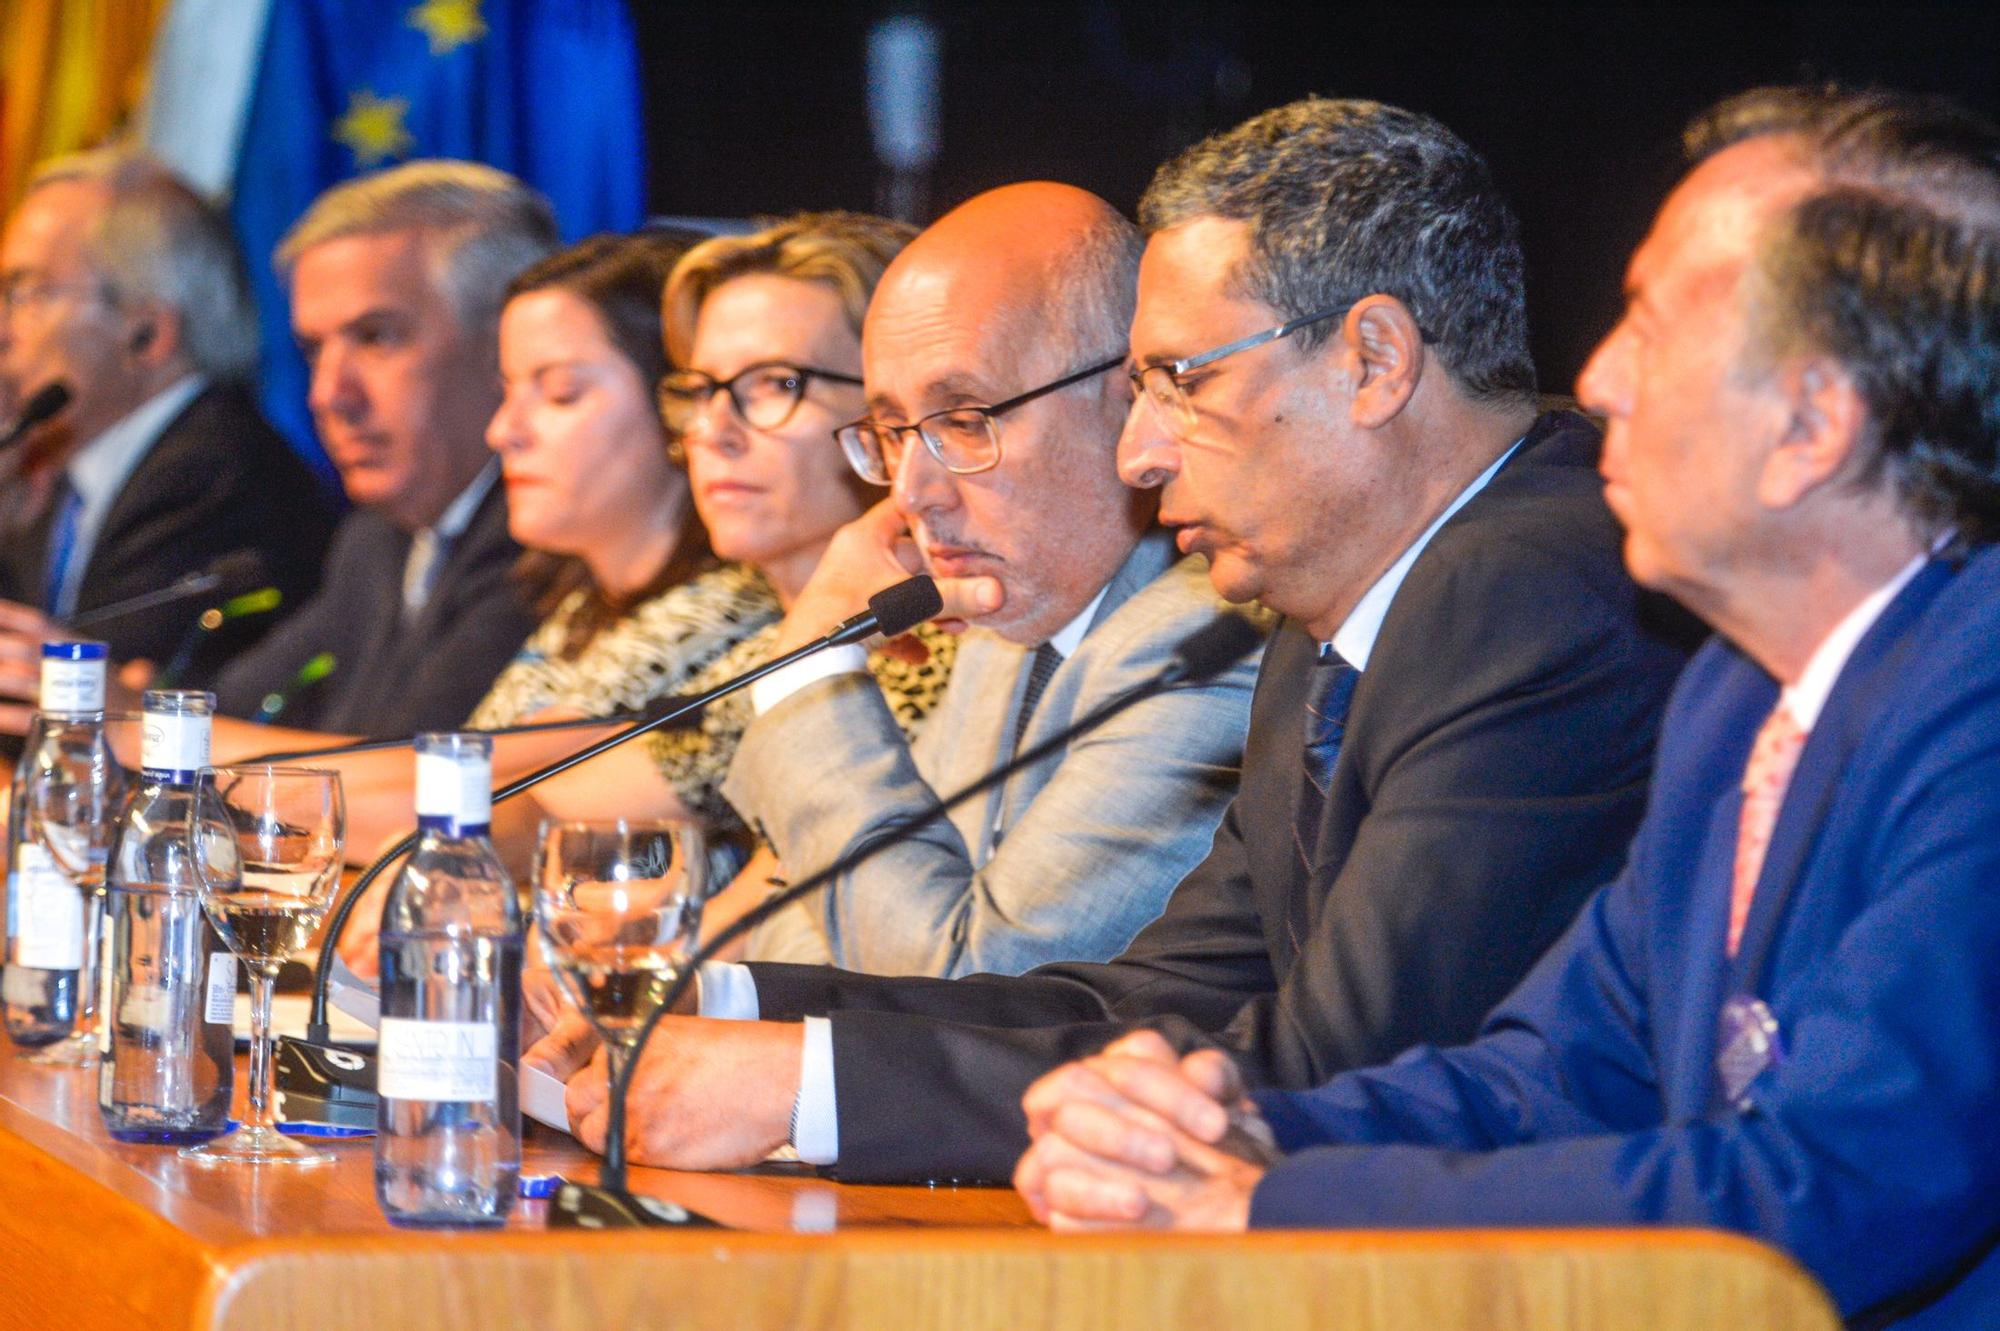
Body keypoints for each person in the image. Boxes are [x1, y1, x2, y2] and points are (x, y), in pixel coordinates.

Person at [535, 113, 1692, 1182]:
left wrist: (807, 1082)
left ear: (1373, 360)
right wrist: (724, 1008)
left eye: (1180, 382)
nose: (1138, 453)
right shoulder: (1327, 613)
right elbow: (1156, 994)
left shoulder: (1525, 589)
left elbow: (1339, 1065)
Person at [1012, 85, 2000, 1330]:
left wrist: (1269, 1202)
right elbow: (1560, 1069)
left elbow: (1832, 1191)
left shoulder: (1980, 697)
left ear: (1811, 424)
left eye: (1653, 326)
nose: (1597, 375)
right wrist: (1226, 1124)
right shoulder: (1733, 694)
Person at [526, 185, 1259, 988]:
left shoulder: (1208, 642)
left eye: (965, 420)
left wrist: (814, 669)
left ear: (1129, 399)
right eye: (892, 433)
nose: (912, 493)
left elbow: (974, 984)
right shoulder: (1004, 625)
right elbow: (824, 927)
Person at [520, 211, 962, 956]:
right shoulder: (771, 618)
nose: (714, 431)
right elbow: (566, 785)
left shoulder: (937, 635)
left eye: (773, 384)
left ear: (891, 414)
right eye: (700, 389)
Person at [206, 160, 549, 742]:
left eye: (376, 338)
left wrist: (147, 734)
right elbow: (233, 707)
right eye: (313, 350)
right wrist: (130, 704)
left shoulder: (540, 539)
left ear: (503, 348)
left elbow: (411, 771)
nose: (327, 396)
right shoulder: (375, 539)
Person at [0, 148, 332, 724]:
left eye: (32, 294)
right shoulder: (65, 476)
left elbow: (61, 716)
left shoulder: (216, 479)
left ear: (148, 333)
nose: (5, 331)